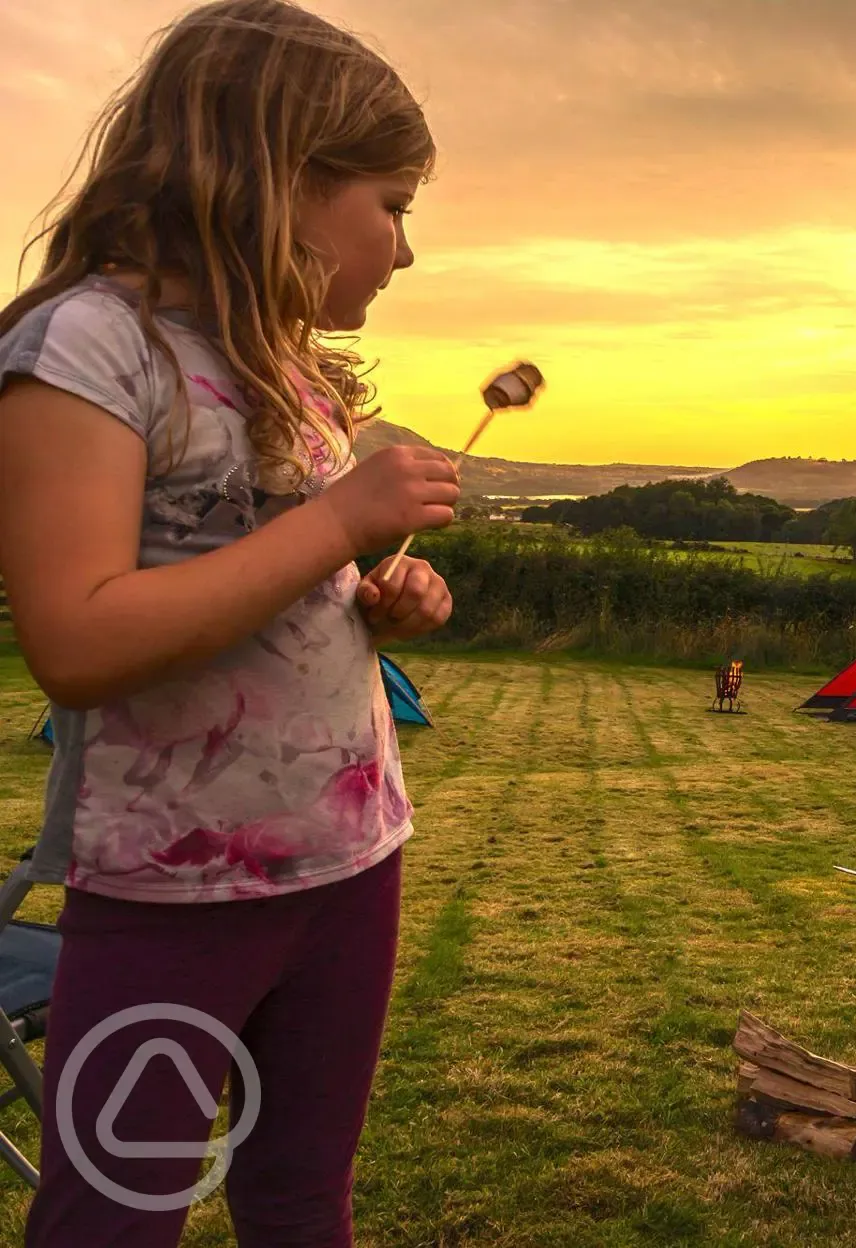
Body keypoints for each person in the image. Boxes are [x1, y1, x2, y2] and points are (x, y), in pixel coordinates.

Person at [0, 3, 459, 1242]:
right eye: (393, 205)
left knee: (304, 1192)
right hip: (170, 887)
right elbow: (79, 637)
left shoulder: (283, 366)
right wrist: (335, 522)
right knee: (118, 1211)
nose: (404, 251)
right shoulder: (90, 348)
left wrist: (376, 596)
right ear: (282, 181)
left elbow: (269, 585)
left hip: (351, 858)